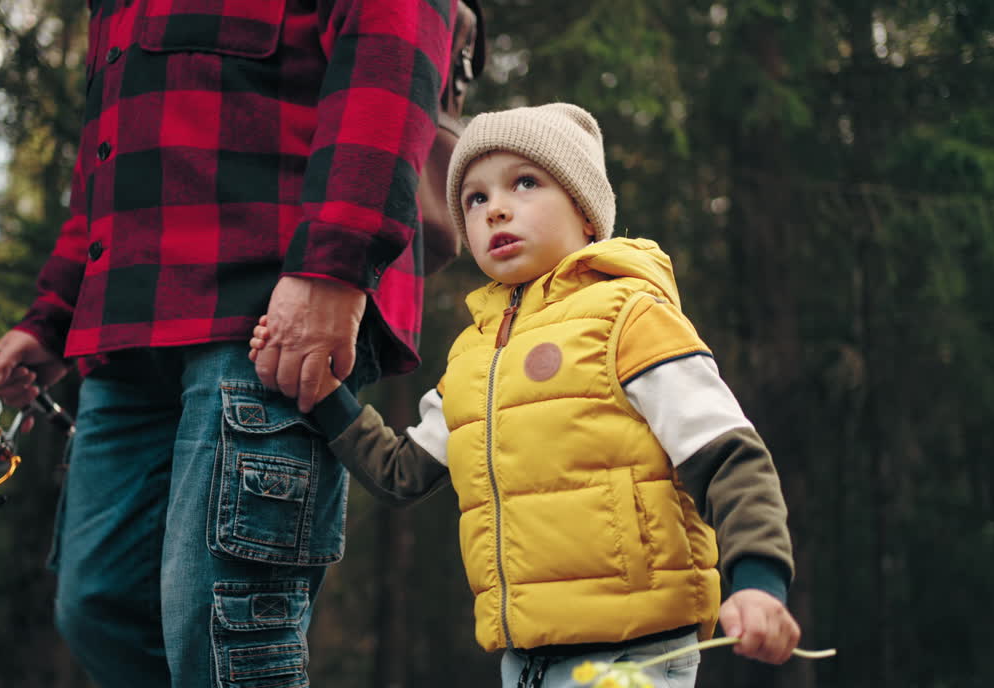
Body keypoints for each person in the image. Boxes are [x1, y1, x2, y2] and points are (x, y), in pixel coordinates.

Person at [0, 0, 459, 686]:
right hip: (124, 331)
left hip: (270, 315)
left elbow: (390, 47)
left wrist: (335, 264)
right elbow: (106, 157)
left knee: (225, 635)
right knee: (101, 606)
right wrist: (54, 315)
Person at [250, 103, 802, 688]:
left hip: (632, 656)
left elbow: (730, 456)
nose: (497, 209)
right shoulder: (472, 356)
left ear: (587, 214)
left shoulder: (631, 317)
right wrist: (323, 392)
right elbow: (400, 472)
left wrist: (759, 582)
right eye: (475, 199)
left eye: (525, 182)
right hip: (524, 662)